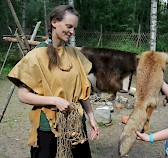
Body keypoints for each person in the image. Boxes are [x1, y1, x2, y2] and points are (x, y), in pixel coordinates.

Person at [7, 5, 99, 158]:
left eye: (74, 28)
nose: (72, 32)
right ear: (54, 22)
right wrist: (54, 100)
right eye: (69, 26)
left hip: (76, 124)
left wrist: (91, 118)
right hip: (48, 128)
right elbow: (23, 96)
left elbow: (83, 91)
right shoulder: (36, 56)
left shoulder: (75, 54)